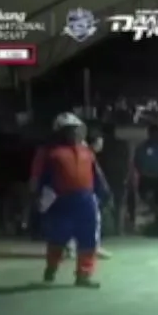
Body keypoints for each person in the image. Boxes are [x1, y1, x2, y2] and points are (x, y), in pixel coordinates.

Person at [34, 113, 109, 288]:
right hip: (61, 201)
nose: (74, 133)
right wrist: (39, 198)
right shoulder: (49, 153)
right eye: (70, 130)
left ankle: (84, 275)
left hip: (86, 201)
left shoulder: (87, 151)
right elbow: (39, 178)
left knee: (88, 238)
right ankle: (51, 268)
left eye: (76, 129)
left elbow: (96, 173)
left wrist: (105, 191)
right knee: (57, 238)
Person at [134, 124, 158, 222]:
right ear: (150, 135)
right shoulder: (142, 147)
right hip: (146, 177)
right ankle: (148, 215)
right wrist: (142, 171)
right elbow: (137, 161)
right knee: (145, 197)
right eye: (155, 134)